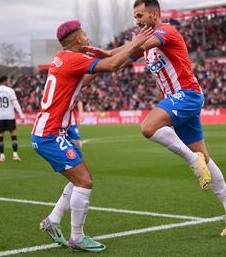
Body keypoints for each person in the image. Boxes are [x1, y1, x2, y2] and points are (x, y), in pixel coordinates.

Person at [84, 0, 226, 236]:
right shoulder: (145, 46)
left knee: (148, 128)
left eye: (139, 15)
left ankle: (192, 161)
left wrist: (117, 50)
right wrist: (107, 54)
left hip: (187, 94)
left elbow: (140, 46)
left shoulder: (166, 32)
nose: (136, 20)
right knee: (205, 157)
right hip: (178, 100)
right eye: (135, 16)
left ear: (154, 14)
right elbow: (123, 59)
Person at [31, 20, 152, 252]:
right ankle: (77, 237)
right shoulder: (73, 59)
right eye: (85, 34)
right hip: (49, 134)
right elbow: (112, 64)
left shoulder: (64, 58)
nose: (87, 38)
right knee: (84, 181)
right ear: (77, 39)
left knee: (81, 177)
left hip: (53, 132)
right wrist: (135, 43)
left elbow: (93, 74)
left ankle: (52, 220)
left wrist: (135, 53)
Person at [0, 76, 25, 162]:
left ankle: (2, 156)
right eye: (7, 80)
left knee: (0, 136)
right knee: (13, 135)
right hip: (10, 116)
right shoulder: (10, 90)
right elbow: (15, 103)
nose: (8, 81)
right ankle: (15, 155)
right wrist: (21, 114)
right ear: (4, 81)